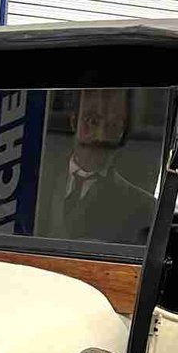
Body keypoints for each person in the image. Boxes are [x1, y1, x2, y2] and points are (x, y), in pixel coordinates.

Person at [37, 88, 158, 245]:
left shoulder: (144, 207)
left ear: (122, 131)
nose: (101, 134)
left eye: (112, 124)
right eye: (92, 121)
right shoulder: (34, 182)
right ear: (74, 122)